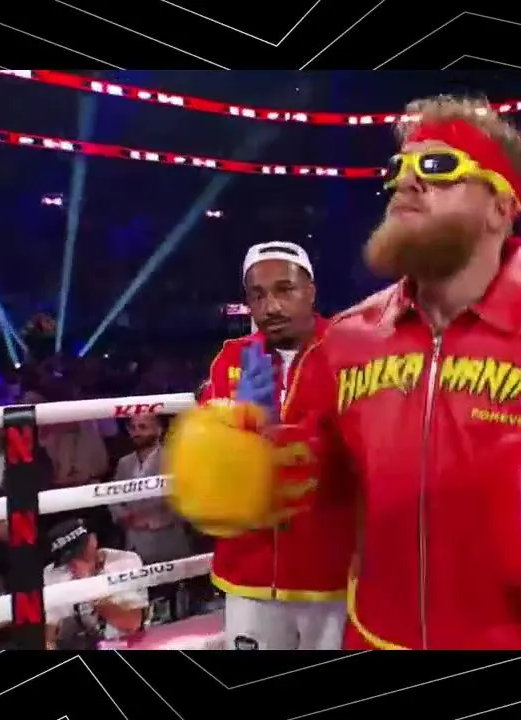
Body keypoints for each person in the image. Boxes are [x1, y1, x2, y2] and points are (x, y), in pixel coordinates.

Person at [166, 94, 521, 650]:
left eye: (438, 167)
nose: (406, 181)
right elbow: (326, 470)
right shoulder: (348, 337)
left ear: (501, 206)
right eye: (399, 168)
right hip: (372, 638)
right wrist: (260, 469)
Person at [196, 241, 351, 650]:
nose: (271, 307)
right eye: (258, 295)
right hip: (249, 567)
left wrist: (286, 438)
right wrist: (236, 422)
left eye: (285, 290)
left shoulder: (352, 351)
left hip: (329, 570)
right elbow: (208, 457)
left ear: (311, 291)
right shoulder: (231, 359)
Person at [43, 519, 148, 649]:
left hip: (124, 646)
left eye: (80, 554)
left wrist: (90, 586)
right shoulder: (53, 575)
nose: (75, 563)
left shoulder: (124, 561)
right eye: (68, 558)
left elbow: (132, 624)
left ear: (93, 541)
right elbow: (48, 634)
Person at [109, 413, 190, 565]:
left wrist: (162, 519)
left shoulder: (174, 459)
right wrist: (123, 516)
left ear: (159, 430)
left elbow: (189, 498)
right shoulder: (124, 463)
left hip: (166, 544)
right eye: (132, 427)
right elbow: (112, 498)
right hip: (133, 545)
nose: (136, 432)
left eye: (143, 427)